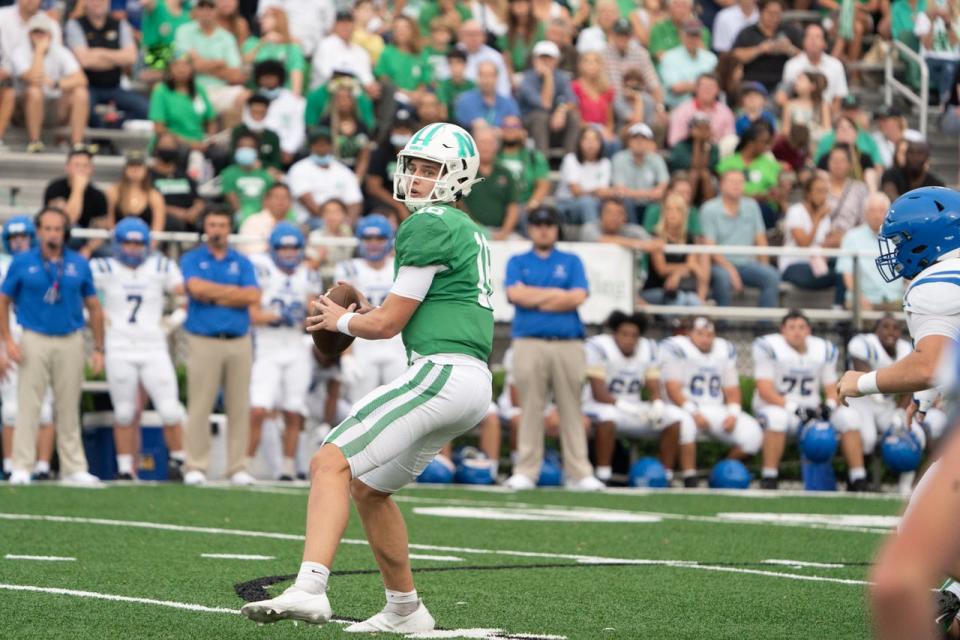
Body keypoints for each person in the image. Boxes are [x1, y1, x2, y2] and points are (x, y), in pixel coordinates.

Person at [240, 122, 493, 634]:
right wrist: (365, 315)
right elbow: (416, 308)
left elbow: (387, 325)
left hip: (441, 373)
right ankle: (405, 608)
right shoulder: (466, 228)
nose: (417, 179)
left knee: (329, 461)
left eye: (431, 170)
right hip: (470, 382)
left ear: (457, 177)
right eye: (414, 168)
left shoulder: (429, 224)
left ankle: (310, 588)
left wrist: (342, 321)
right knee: (370, 489)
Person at [832, 187, 960, 637]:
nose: (897, 250)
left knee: (923, 542)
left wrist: (862, 382)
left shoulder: (935, 284)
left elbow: (929, 363)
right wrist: (928, 395)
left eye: (903, 239)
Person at [0, 206, 105, 486]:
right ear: (39, 231)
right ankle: (22, 465)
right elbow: (3, 300)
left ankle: (73, 467)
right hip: (34, 336)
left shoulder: (78, 264)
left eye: (57, 229)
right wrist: (8, 339)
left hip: (70, 337)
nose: (52, 234)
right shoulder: (22, 262)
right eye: (47, 228)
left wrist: (98, 348)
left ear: (65, 232)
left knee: (69, 403)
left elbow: (94, 307)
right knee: (28, 403)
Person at [502, 206, 603, 491]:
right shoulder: (517, 260)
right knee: (530, 407)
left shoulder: (571, 260)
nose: (543, 229)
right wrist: (557, 295)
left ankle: (580, 472)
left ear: (557, 228)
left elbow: (577, 297)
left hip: (568, 342)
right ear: (530, 229)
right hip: (529, 341)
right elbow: (515, 294)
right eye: (537, 224)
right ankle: (526, 470)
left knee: (571, 407)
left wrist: (535, 297)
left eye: (549, 224)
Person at [91, 218, 186, 481]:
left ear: (146, 244)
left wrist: (171, 322)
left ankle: (179, 462)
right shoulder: (103, 267)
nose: (133, 249)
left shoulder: (160, 265)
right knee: (123, 411)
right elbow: (83, 297)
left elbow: (184, 297)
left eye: (138, 243)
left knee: (169, 408)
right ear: (117, 244)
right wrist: (97, 317)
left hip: (153, 345)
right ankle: (124, 467)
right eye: (127, 242)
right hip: (119, 344)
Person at [179, 206, 261, 486]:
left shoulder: (242, 261)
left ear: (230, 229)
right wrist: (231, 294)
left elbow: (252, 295)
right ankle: (196, 465)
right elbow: (195, 288)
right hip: (203, 339)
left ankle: (237, 466)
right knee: (199, 405)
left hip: (239, 339)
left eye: (222, 225)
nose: (217, 230)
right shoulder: (192, 258)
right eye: (212, 224)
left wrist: (214, 295)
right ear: (206, 228)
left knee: (239, 406)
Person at [752, 309, 867, 490]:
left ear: (809, 330)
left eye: (801, 327)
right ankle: (769, 477)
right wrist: (793, 408)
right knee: (777, 419)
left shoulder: (823, 349)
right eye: (791, 327)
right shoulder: (768, 346)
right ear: (783, 330)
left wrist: (828, 405)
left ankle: (858, 478)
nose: (797, 332)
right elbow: (764, 389)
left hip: (811, 408)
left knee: (849, 417)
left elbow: (832, 388)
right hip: (779, 407)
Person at [583, 310, 696, 485]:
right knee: (608, 416)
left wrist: (657, 402)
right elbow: (599, 393)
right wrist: (625, 406)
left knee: (673, 418)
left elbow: (653, 382)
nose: (629, 339)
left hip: (633, 406)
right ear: (614, 333)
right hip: (599, 404)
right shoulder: (599, 347)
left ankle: (664, 475)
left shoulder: (648, 348)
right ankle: (603, 474)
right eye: (624, 334)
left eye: (634, 335)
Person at [246, 223, 320, 481]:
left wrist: (307, 316)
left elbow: (313, 314)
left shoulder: (308, 273)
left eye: (294, 247)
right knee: (258, 408)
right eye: (283, 247)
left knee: (293, 409)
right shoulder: (261, 269)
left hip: (295, 345)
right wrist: (276, 315)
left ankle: (288, 467)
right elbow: (252, 314)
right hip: (267, 345)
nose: (289, 252)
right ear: (273, 249)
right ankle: (246, 465)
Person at [662, 317, 763, 460]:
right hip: (685, 408)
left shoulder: (723, 349)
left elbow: (732, 389)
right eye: (700, 334)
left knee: (753, 434)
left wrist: (733, 414)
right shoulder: (677, 348)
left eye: (709, 335)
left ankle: (722, 471)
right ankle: (689, 476)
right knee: (684, 425)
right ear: (689, 333)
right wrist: (694, 413)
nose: (705, 339)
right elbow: (673, 390)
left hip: (715, 408)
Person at [0, 217, 54, 481]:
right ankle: (12, 465)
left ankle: (43, 467)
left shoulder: (49, 262)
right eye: (13, 237)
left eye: (23, 236)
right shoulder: (3, 265)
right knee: (11, 408)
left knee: (45, 406)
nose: (19, 241)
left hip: (41, 335)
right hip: (8, 337)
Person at [333, 215, 407, 404]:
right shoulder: (348, 269)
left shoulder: (401, 267)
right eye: (368, 239)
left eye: (380, 238)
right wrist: (346, 356)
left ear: (389, 241)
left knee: (399, 406)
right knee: (361, 408)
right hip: (362, 343)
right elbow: (342, 315)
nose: (374, 244)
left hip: (397, 343)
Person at [845, 317, 923, 489]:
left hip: (886, 404)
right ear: (876, 330)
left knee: (914, 434)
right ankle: (857, 481)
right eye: (885, 327)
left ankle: (905, 488)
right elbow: (863, 376)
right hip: (861, 400)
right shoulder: (862, 343)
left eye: (896, 328)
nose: (891, 331)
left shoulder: (906, 348)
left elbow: (911, 384)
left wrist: (900, 412)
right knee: (868, 437)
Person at [8, 13, 89, 152]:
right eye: (36, 32)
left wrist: (56, 83)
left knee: (80, 93)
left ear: (50, 35)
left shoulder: (61, 51)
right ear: (29, 34)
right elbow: (35, 79)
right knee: (34, 91)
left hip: (53, 107)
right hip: (23, 111)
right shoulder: (19, 52)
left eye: (43, 32)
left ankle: (77, 144)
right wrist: (39, 51)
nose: (39, 35)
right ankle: (35, 141)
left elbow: (82, 79)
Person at [701, 169, 781, 308]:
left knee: (772, 276)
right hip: (719, 264)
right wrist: (731, 270)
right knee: (723, 278)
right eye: (732, 182)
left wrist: (764, 265)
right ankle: (722, 325)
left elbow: (760, 239)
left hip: (747, 264)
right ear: (721, 185)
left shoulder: (752, 206)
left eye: (740, 182)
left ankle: (765, 326)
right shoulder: (709, 209)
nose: (736, 185)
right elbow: (710, 247)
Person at [65, 0, 146, 128]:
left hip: (114, 86)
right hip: (87, 86)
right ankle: (101, 137)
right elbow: (84, 60)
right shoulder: (75, 24)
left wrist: (98, 53)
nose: (98, 3)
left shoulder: (120, 24)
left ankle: (115, 125)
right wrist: (116, 57)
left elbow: (131, 57)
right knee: (85, 108)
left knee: (144, 109)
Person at [173, 0, 247, 118]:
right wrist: (218, 64)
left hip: (220, 90)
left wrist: (201, 64)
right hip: (191, 90)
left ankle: (235, 136)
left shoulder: (227, 37)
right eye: (201, 6)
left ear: (217, 10)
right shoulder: (183, 31)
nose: (206, 11)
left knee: (245, 96)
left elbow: (236, 75)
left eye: (210, 6)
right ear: (195, 9)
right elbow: (184, 67)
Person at [836, 192, 905, 310]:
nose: (877, 215)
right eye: (872, 210)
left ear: (888, 213)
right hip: (863, 299)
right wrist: (860, 297)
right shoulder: (851, 236)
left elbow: (908, 272)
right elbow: (847, 274)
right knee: (860, 307)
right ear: (865, 213)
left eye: (881, 210)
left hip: (896, 299)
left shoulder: (900, 237)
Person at [642, 193, 710, 305]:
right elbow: (662, 269)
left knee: (690, 299)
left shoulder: (689, 237)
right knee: (684, 300)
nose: (672, 214)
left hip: (680, 288)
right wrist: (687, 267)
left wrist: (677, 274)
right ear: (664, 213)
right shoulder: (656, 236)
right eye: (669, 209)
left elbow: (692, 266)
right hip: (656, 288)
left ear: (683, 214)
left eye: (677, 210)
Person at [715, 120, 784, 228]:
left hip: (764, 210)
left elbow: (777, 191)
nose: (767, 146)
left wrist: (776, 193)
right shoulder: (729, 163)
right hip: (734, 206)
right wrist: (753, 197)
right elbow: (723, 190)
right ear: (751, 143)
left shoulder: (771, 164)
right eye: (764, 142)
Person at [287, 127, 363, 224]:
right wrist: (332, 221)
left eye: (326, 144)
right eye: (318, 144)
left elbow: (355, 201)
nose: (322, 147)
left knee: (365, 224)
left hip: (342, 220)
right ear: (311, 146)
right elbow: (307, 202)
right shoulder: (299, 169)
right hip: (310, 219)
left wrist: (349, 222)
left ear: (331, 146)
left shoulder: (343, 171)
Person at [516, 39, 581, 154]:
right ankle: (542, 161)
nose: (545, 62)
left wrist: (561, 110)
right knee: (541, 117)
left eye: (549, 58)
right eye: (542, 58)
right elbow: (545, 104)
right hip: (530, 123)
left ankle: (570, 159)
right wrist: (548, 76)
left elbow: (573, 101)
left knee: (574, 117)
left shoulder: (562, 77)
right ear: (534, 60)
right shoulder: (527, 79)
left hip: (555, 123)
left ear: (556, 60)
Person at [43, 147, 109, 258]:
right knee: (74, 230)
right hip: (58, 237)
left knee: (109, 251)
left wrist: (88, 249)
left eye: (85, 166)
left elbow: (101, 232)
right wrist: (78, 189)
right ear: (67, 167)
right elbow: (67, 221)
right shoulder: (55, 188)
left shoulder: (99, 195)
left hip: (86, 242)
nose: (81, 170)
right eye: (77, 165)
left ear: (92, 169)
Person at [779, 174, 837, 293]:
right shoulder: (795, 211)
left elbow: (827, 240)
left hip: (817, 262)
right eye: (819, 191)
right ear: (808, 193)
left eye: (825, 192)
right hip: (794, 264)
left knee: (845, 268)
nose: (823, 196)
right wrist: (817, 219)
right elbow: (804, 243)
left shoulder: (824, 216)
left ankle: (838, 306)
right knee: (836, 275)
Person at [147, 55, 217, 151]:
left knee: (220, 155)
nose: (181, 69)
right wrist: (190, 144)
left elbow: (211, 119)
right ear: (169, 69)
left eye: (185, 65)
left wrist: (210, 138)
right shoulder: (161, 91)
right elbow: (159, 128)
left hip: (199, 141)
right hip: (174, 143)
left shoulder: (199, 90)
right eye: (176, 65)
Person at [462, 126, 521, 240]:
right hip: (469, 231)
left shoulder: (506, 173)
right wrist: (477, 229)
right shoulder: (464, 173)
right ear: (474, 146)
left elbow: (513, 205)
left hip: (501, 231)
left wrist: (504, 232)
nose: (486, 147)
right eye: (482, 142)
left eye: (490, 142)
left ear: (496, 146)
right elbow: (458, 205)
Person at [731, 0, 802, 93]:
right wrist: (760, 49)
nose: (773, 18)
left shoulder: (791, 31)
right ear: (761, 12)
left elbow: (804, 57)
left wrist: (789, 49)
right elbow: (735, 55)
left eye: (777, 14)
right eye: (770, 13)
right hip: (753, 80)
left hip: (783, 82)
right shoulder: (748, 32)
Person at [248, 60, 305, 166]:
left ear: (280, 78)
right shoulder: (252, 100)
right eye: (264, 77)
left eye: (271, 77)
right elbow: (249, 125)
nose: (268, 80)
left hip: (286, 149)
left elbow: (297, 129)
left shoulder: (294, 101)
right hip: (260, 148)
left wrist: (289, 149)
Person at [780, 23, 849, 110]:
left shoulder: (836, 65)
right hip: (799, 115)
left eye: (817, 37)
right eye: (809, 36)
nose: (813, 40)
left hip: (828, 114)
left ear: (825, 43)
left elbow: (838, 100)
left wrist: (826, 117)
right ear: (803, 42)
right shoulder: (792, 65)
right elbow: (783, 96)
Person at [611, 123, 669, 224]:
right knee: (626, 202)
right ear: (629, 141)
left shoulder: (656, 159)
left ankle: (651, 234)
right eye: (635, 138)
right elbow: (621, 190)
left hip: (650, 204)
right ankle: (635, 233)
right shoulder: (619, 158)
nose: (639, 141)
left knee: (658, 205)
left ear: (650, 142)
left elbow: (662, 187)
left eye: (643, 138)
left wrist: (634, 193)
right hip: (628, 203)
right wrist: (650, 193)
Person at [365, 111, 419, 220]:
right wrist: (399, 206)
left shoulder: (419, 155)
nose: (401, 133)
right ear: (391, 131)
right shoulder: (381, 153)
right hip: (386, 201)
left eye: (405, 130)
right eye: (398, 130)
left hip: (415, 199)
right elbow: (373, 187)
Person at [555, 126, 613, 224]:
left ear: (601, 144)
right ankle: (593, 235)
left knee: (614, 205)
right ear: (579, 142)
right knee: (587, 202)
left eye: (595, 140)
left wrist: (596, 192)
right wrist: (595, 191)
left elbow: (603, 192)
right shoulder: (570, 159)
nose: (591, 143)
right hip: (567, 204)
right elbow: (576, 192)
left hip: (596, 203)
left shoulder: (605, 163)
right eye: (587, 139)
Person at [242, 6, 305, 95]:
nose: (262, 20)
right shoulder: (251, 42)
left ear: (279, 20)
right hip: (255, 94)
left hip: (283, 94)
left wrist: (294, 98)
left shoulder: (292, 47)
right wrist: (262, 42)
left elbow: (296, 74)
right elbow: (243, 63)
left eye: (267, 17)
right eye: (262, 17)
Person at [149, 134, 204, 232]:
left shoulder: (184, 176)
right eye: (164, 145)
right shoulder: (148, 176)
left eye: (171, 145)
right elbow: (146, 202)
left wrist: (193, 211)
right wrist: (177, 213)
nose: (168, 148)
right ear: (156, 149)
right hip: (164, 218)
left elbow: (198, 200)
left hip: (190, 218)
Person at [660, 18, 718, 109]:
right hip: (676, 107)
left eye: (696, 35)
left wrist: (689, 86)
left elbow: (716, 86)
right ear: (682, 36)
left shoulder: (711, 58)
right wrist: (705, 87)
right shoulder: (669, 57)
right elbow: (676, 88)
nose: (693, 39)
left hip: (706, 108)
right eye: (689, 35)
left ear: (701, 37)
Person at [497, 115, 551, 213]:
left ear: (522, 131)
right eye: (506, 126)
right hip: (497, 207)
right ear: (500, 130)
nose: (510, 130)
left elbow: (543, 185)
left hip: (525, 207)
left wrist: (532, 204)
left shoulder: (534, 157)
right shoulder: (493, 156)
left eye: (514, 126)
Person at [220, 131, 275, 227]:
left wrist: (261, 218)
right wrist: (243, 216)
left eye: (250, 147)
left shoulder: (266, 176)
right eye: (242, 147)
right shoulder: (228, 174)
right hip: (239, 218)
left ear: (256, 151)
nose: (246, 150)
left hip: (263, 218)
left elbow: (269, 199)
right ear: (236, 150)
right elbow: (232, 199)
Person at [374, 15, 431, 104]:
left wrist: (418, 93)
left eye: (406, 27)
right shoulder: (387, 52)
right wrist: (404, 93)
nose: (401, 31)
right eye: (397, 27)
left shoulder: (422, 53)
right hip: (395, 97)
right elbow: (383, 77)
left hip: (418, 97)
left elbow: (425, 79)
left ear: (413, 31)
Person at [107, 152, 166, 237]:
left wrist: (148, 248)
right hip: (118, 243)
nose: (135, 170)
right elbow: (109, 223)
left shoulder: (154, 196)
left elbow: (157, 229)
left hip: (146, 246)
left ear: (145, 170)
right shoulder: (113, 192)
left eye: (139, 166)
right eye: (131, 166)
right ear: (125, 169)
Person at [667, 73, 735, 147]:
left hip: (717, 153)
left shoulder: (725, 112)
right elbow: (674, 140)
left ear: (718, 90)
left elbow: (729, 139)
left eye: (711, 87)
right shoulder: (683, 110)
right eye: (704, 86)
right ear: (696, 88)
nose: (707, 90)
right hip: (689, 151)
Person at [453, 60, 520, 129]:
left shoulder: (509, 103)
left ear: (497, 77)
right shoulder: (465, 101)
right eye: (483, 75)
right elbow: (477, 128)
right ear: (477, 77)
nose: (487, 80)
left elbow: (515, 130)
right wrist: (502, 130)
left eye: (491, 75)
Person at [237, 183, 296, 255]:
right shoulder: (253, 222)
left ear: (291, 203)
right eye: (277, 197)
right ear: (265, 201)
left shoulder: (293, 226)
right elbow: (252, 253)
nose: (281, 200)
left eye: (285, 197)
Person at [458, 19, 511, 97]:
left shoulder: (495, 57)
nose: (473, 38)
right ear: (461, 36)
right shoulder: (454, 54)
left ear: (484, 37)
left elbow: (503, 87)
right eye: (469, 34)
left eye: (477, 34)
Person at [881, 139, 946, 200]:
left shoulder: (936, 185)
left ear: (927, 157)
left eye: (920, 153)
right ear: (906, 155)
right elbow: (890, 197)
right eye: (911, 152)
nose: (915, 157)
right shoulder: (890, 175)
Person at [436, 48, 475, 118]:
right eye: (451, 63)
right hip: (450, 123)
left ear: (465, 64)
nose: (454, 66)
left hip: (468, 123)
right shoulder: (443, 86)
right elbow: (443, 111)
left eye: (458, 62)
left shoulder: (472, 86)